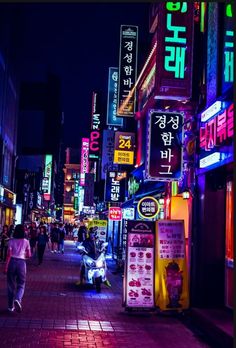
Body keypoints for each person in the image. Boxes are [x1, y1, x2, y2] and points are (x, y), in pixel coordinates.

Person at [4, 224, 31, 313]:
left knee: (10, 285)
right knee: (21, 284)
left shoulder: (11, 241)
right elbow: (29, 255)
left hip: (12, 262)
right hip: (21, 263)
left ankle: (10, 307)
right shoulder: (26, 241)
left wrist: (6, 267)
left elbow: (8, 255)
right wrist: (24, 255)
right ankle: (18, 299)